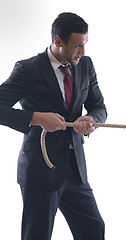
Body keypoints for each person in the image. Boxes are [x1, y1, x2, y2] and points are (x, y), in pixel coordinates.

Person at [0, 12, 107, 240]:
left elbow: (99, 107)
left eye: (85, 44)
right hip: (40, 171)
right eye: (77, 45)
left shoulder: (86, 65)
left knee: (94, 229)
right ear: (57, 41)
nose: (83, 52)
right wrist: (35, 118)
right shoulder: (27, 70)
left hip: (76, 170)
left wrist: (91, 121)